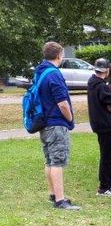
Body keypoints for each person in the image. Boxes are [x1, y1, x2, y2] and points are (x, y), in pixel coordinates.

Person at [35, 42, 80, 210]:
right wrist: (69, 120)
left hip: (44, 123)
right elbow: (62, 103)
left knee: (49, 160)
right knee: (57, 162)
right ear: (59, 55)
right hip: (56, 123)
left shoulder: (40, 71)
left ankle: (53, 193)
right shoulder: (54, 74)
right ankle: (60, 200)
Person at [87, 58, 111, 196]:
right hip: (105, 124)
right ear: (106, 71)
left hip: (98, 123)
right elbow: (110, 100)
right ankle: (104, 187)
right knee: (108, 155)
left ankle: (108, 184)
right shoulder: (101, 86)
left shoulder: (92, 82)